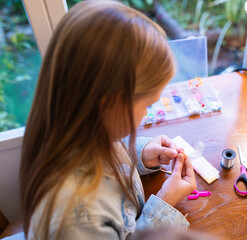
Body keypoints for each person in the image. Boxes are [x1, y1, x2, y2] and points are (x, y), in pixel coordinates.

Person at [19, 1, 197, 239]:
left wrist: (141, 155)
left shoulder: (73, 125)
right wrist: (165, 205)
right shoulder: (77, 223)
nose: (146, 113)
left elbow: (109, 156)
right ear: (109, 104)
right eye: (147, 105)